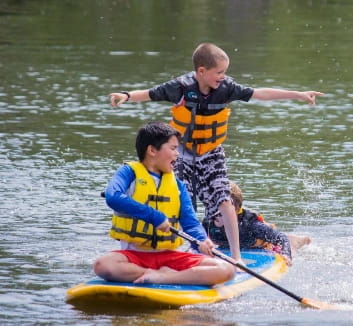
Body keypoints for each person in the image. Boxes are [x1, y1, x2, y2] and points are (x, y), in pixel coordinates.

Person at [109, 42, 323, 262]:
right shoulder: (181, 87)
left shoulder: (226, 88)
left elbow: (260, 93)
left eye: (225, 72)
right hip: (182, 155)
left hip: (211, 153)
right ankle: (189, 254)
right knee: (185, 205)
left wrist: (298, 94)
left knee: (224, 201)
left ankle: (237, 257)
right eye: (219, 72)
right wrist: (126, 96)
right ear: (201, 71)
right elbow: (149, 94)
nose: (223, 76)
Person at [93, 122, 235, 285]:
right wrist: (154, 216)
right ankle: (149, 273)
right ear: (152, 150)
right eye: (173, 148)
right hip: (134, 256)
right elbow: (113, 197)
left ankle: (165, 277)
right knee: (102, 266)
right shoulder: (128, 173)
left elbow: (190, 223)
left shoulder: (178, 185)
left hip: (170, 257)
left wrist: (202, 239)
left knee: (227, 269)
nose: (177, 155)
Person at [203, 181, 311, 266]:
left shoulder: (250, 225)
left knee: (289, 247)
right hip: (238, 245)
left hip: (265, 244)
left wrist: (286, 254)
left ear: (235, 211)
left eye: (223, 211)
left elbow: (280, 237)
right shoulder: (207, 223)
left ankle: (296, 242)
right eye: (214, 207)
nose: (216, 214)